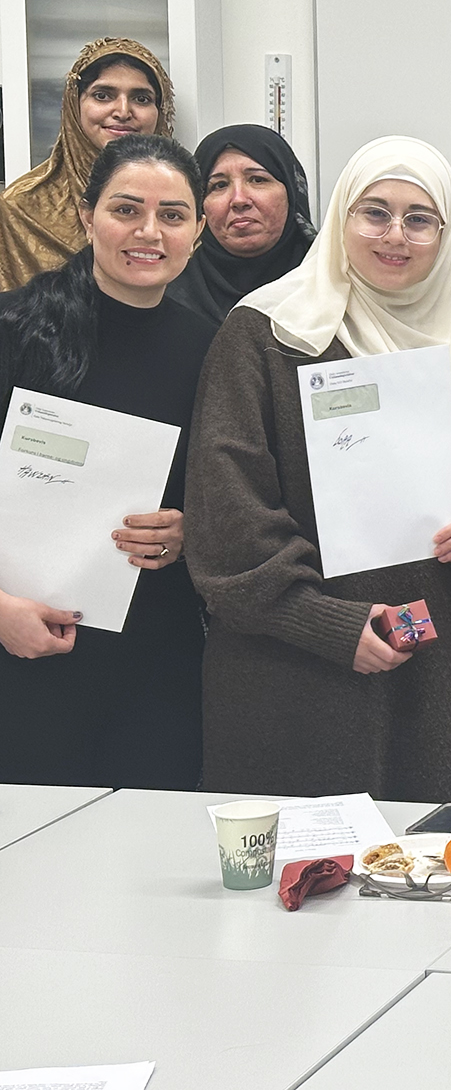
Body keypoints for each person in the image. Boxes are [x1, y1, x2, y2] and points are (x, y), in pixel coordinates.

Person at [186, 135, 451, 800]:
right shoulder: (267, 333)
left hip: (431, 671)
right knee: (311, 859)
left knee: (426, 857)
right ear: (338, 216)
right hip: (296, 673)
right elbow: (226, 523)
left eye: (420, 219)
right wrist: (324, 623)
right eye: (374, 212)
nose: (396, 235)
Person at [0, 135, 214, 788]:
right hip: (22, 656)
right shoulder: (14, 330)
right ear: (87, 215)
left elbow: (223, 494)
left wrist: (189, 530)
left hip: (158, 663)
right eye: (126, 209)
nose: (149, 232)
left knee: (153, 838)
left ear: (198, 231)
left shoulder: (209, 347)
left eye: (172, 215)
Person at [0, 38, 174, 292]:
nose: (123, 111)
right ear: (74, 105)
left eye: (141, 98)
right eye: (102, 96)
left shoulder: (185, 200)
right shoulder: (21, 207)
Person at [167, 124, 317, 323]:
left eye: (257, 180)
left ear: (291, 193)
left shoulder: (334, 285)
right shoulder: (164, 297)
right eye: (219, 185)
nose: (239, 199)